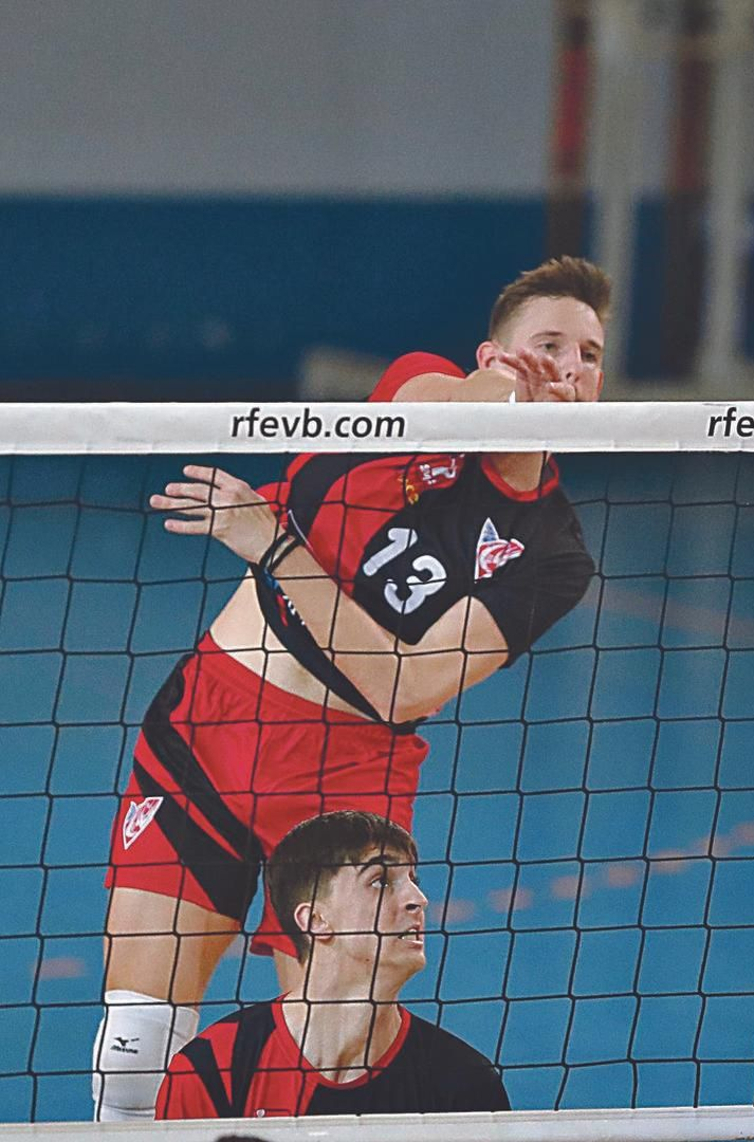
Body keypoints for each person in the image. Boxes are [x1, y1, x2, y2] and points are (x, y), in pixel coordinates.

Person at [96, 256, 605, 1120]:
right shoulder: (416, 393)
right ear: (489, 356)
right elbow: (457, 405)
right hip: (208, 729)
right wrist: (505, 396)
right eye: (545, 345)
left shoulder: (552, 556)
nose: (567, 366)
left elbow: (401, 686)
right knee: (135, 1051)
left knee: (329, 1053)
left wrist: (275, 550)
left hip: (347, 780)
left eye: (589, 355)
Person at [157, 811, 509, 1118]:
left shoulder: (464, 1084)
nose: (418, 900)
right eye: (381, 881)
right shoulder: (213, 1070)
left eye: (413, 882)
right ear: (315, 920)